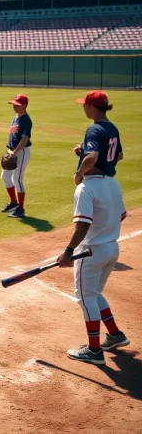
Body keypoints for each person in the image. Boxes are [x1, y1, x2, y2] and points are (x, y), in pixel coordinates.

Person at [58, 90, 128, 365]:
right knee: (95, 294)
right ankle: (115, 335)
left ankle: (94, 350)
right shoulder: (114, 184)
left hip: (91, 253)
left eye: (85, 105)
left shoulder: (85, 187)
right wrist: (87, 154)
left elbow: (83, 226)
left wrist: (67, 251)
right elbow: (117, 155)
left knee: (85, 298)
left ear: (91, 107)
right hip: (112, 248)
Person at [0, 94, 32, 219]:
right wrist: (10, 151)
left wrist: (15, 152)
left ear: (24, 105)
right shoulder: (16, 117)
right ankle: (14, 202)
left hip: (22, 151)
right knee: (5, 177)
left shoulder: (26, 120)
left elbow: (24, 139)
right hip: (11, 150)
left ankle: (21, 209)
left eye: (17, 105)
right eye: (13, 104)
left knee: (17, 179)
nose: (14, 106)